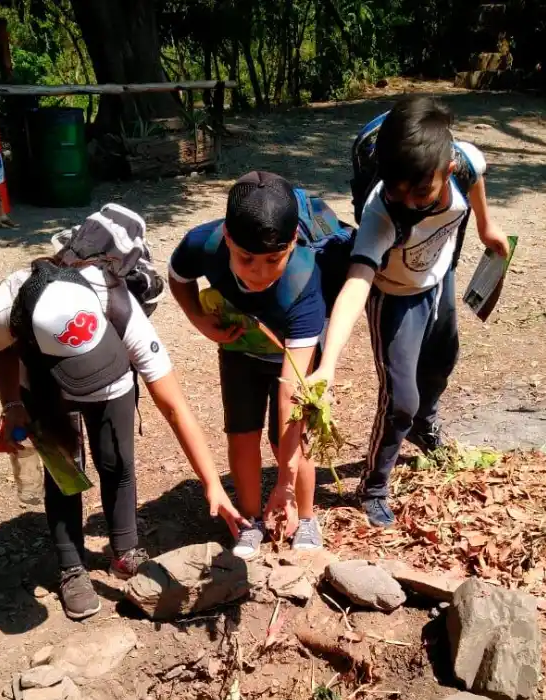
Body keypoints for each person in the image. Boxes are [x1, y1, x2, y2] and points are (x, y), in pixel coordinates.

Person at [0, 211, 247, 621]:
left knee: (117, 461)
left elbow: (175, 407)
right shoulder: (8, 309)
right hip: (45, 390)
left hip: (114, 387)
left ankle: (125, 550)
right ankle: (71, 566)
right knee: (65, 474)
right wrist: (12, 405)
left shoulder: (119, 306)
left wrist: (213, 484)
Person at [311, 95, 509, 528]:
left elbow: (476, 176)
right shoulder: (381, 214)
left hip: (439, 277)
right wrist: (327, 365)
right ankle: (373, 487)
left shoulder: (464, 161)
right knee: (400, 400)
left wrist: (485, 225)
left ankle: (424, 425)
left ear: (447, 169)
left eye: (421, 192)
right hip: (394, 296)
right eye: (397, 190)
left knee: (442, 362)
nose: (410, 202)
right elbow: (357, 282)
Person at [169, 172, 329, 560]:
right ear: (227, 237)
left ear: (293, 240)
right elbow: (177, 276)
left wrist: (285, 483)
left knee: (290, 438)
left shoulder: (305, 283)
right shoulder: (203, 244)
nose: (260, 273)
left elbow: (292, 395)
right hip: (239, 351)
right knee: (241, 435)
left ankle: (306, 515)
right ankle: (250, 519)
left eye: (274, 259)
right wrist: (199, 320)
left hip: (293, 359)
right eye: (246, 259)